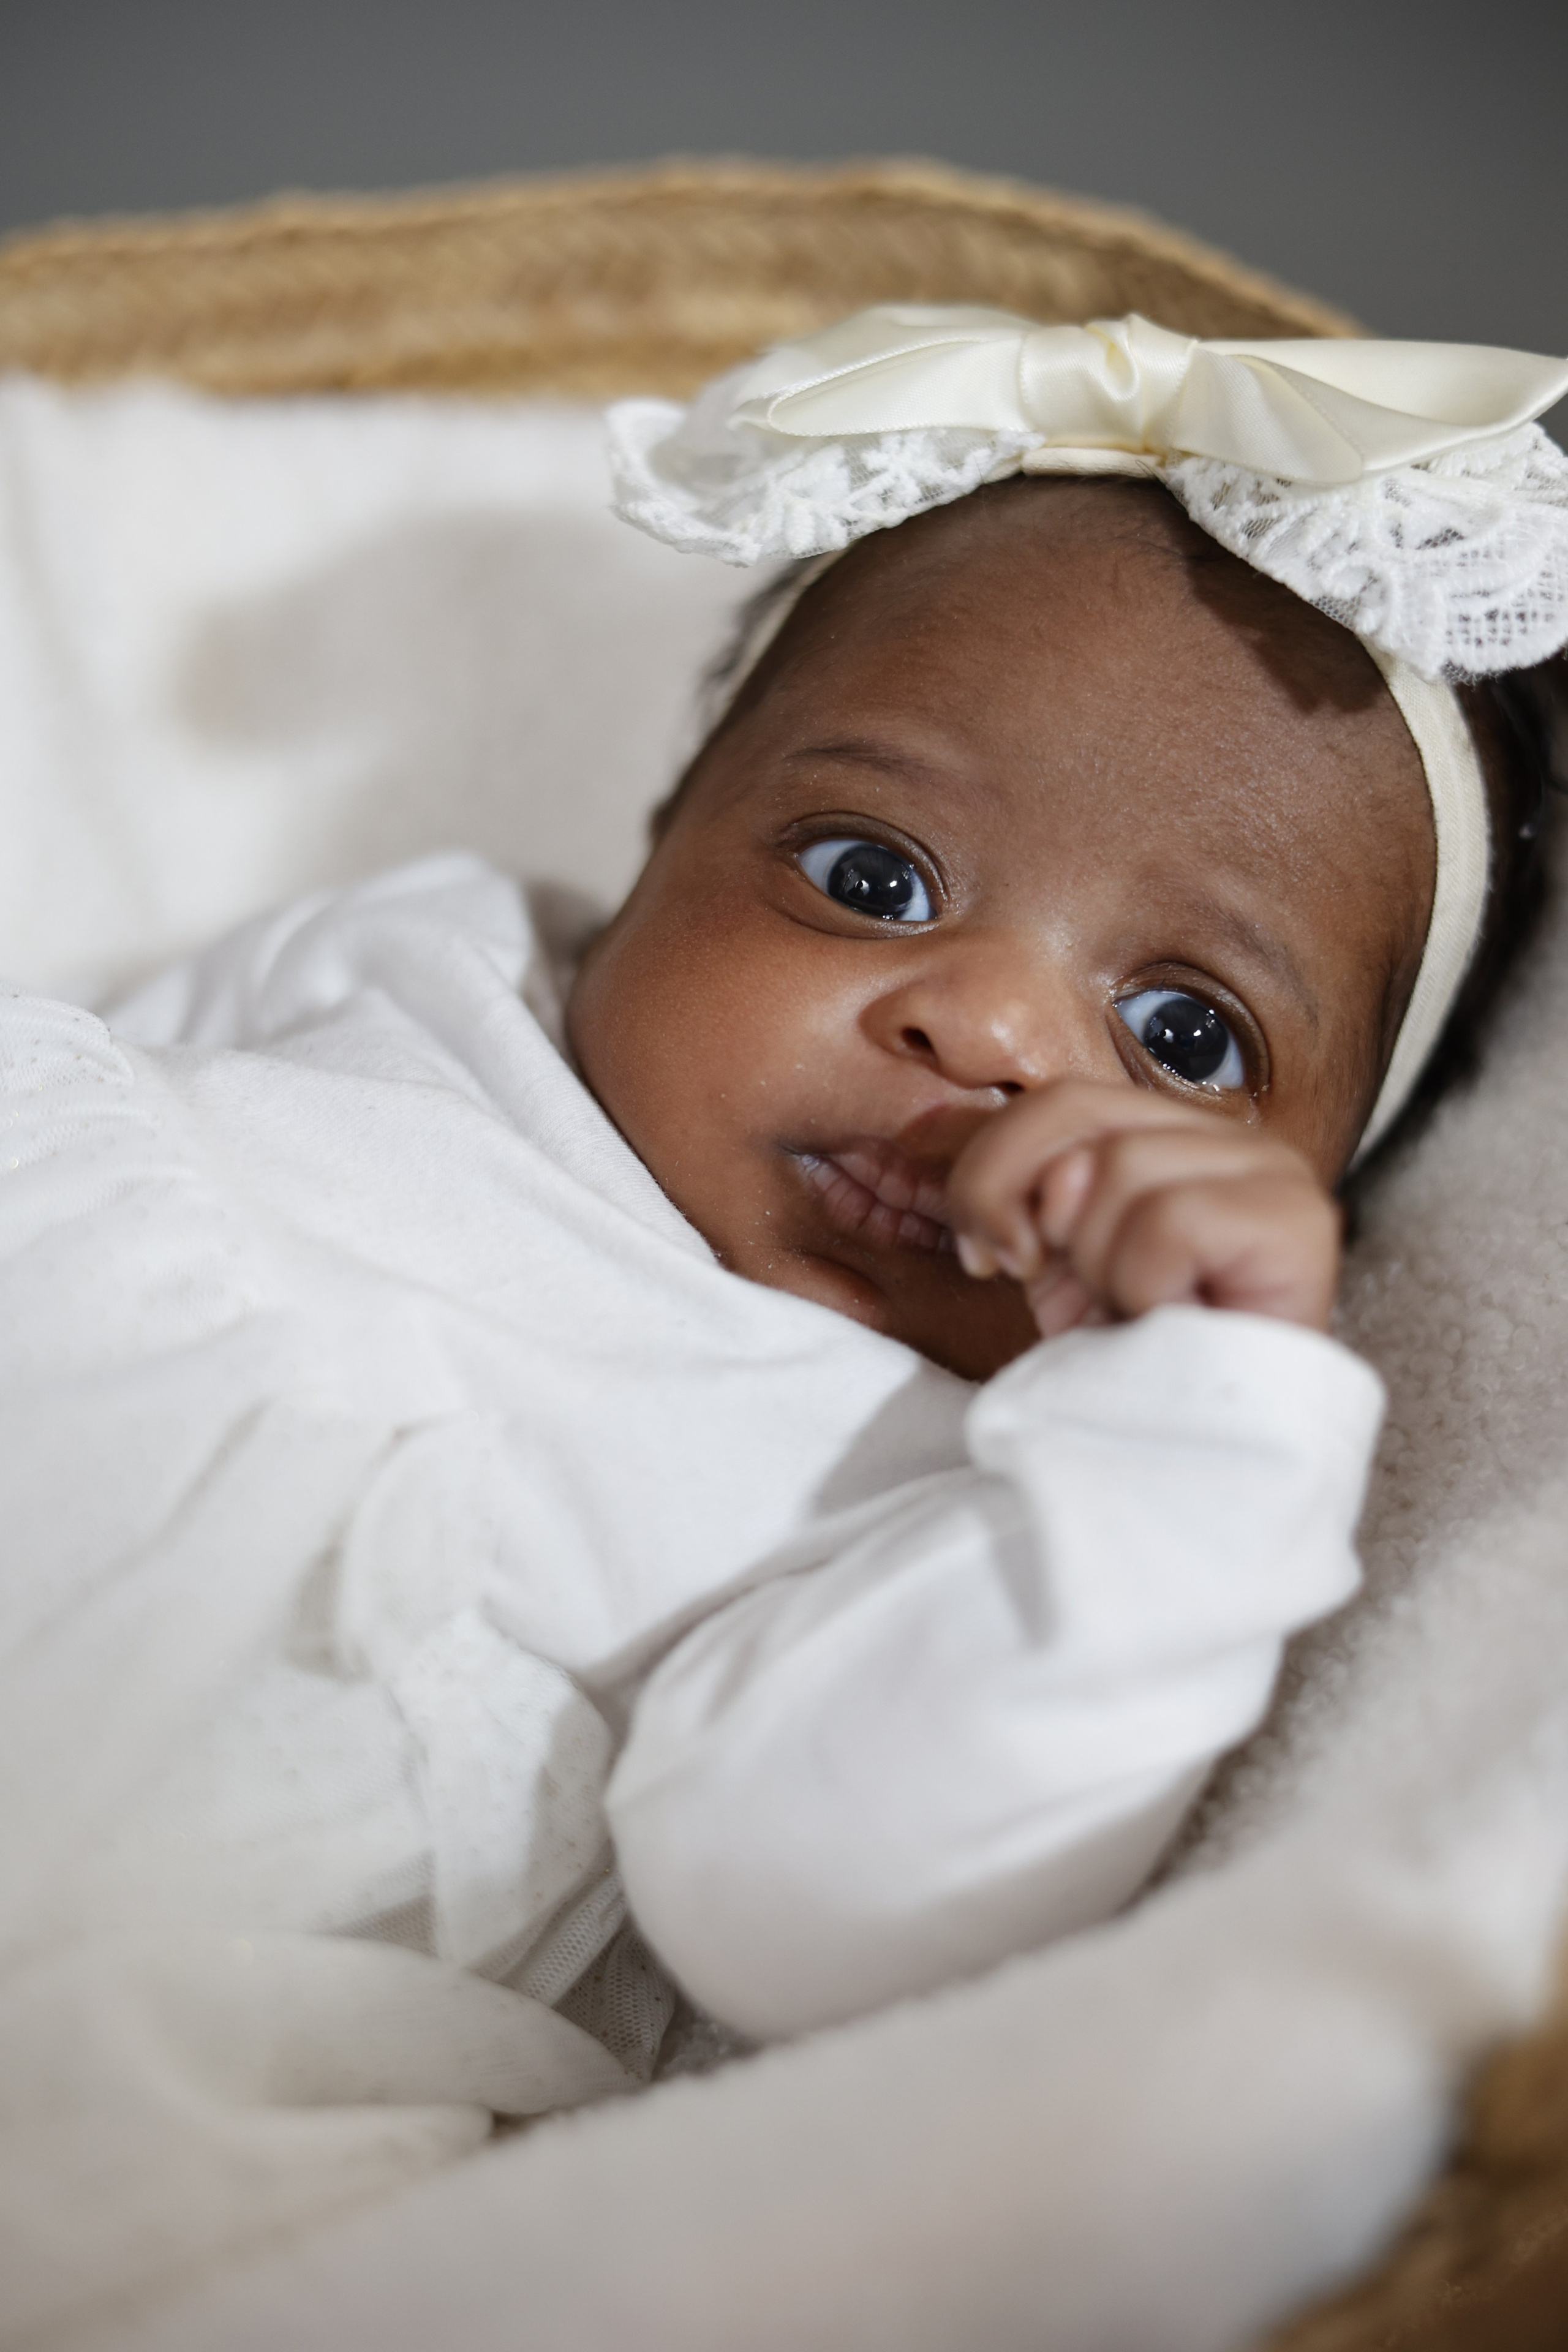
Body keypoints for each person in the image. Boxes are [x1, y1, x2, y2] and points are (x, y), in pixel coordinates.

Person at [3, 315, 1566, 2296]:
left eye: (1182, 1034)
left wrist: (1207, 1422)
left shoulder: (943, 1501)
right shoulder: (434, 949)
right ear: (662, 847)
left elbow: (805, 1907)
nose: (987, 1024)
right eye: (870, 873)